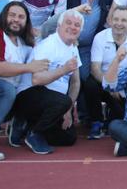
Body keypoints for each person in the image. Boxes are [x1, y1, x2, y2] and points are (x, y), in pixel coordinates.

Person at [11, 10, 83, 154]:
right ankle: (34, 133)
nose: (73, 27)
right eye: (68, 23)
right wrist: (63, 70)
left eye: (77, 25)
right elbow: (37, 79)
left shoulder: (73, 48)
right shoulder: (48, 45)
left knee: (69, 138)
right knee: (62, 102)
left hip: (54, 103)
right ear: (59, 26)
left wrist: (67, 110)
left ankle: (27, 125)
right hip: (30, 95)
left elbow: (75, 82)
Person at [0, 2, 41, 160]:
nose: (16, 20)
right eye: (12, 15)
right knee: (5, 89)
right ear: (4, 16)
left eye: (21, 17)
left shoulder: (22, 43)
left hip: (0, 96)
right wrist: (29, 67)